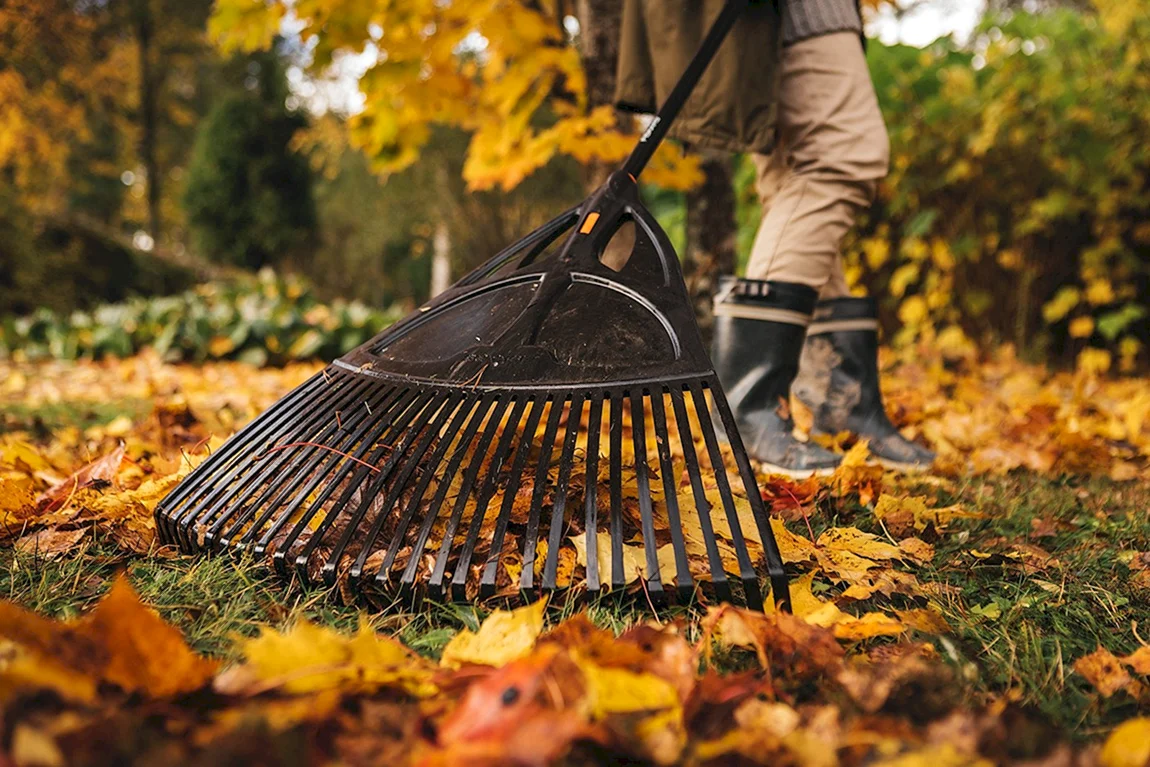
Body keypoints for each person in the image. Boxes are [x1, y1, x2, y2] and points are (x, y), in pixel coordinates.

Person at [616, 0, 935, 477]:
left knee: (796, 179)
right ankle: (751, 408)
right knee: (841, 159)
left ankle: (841, 403)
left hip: (777, 18)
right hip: (796, 11)